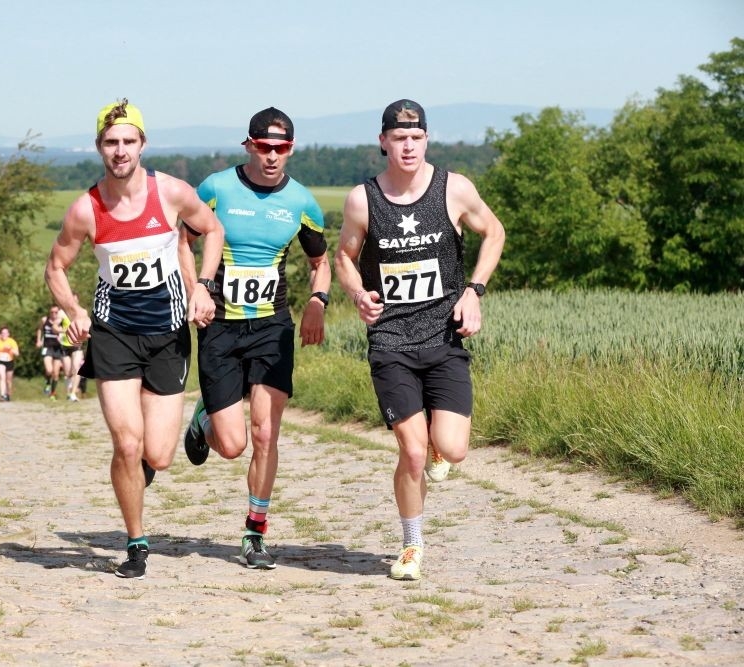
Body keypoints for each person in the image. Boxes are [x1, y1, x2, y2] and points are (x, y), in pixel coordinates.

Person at [44, 98, 224, 579]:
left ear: (142, 144)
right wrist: (75, 309)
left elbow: (212, 229)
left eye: (128, 141)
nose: (119, 150)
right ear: (99, 147)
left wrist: (202, 288)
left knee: (157, 456)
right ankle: (136, 542)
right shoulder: (86, 208)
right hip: (114, 333)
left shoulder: (170, 192)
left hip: (167, 334)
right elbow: (56, 267)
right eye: (110, 142)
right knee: (127, 443)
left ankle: (151, 463)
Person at [334, 99, 505, 581]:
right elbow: (344, 256)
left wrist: (474, 291)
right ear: (383, 141)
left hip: (444, 337)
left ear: (426, 139)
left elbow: (494, 232)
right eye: (398, 137)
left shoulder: (454, 189)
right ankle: (411, 545)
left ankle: (437, 448)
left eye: (416, 137)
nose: (408, 146)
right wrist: (356, 294)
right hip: (390, 341)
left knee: (452, 450)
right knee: (410, 451)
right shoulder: (362, 199)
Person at [182, 107, 332, 570]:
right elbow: (181, 242)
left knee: (266, 432)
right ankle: (203, 418)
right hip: (220, 326)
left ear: (290, 149)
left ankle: (255, 533)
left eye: (281, 148)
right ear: (248, 145)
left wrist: (318, 302)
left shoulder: (303, 202)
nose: (272, 156)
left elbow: (319, 262)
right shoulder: (215, 188)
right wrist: (196, 290)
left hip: (272, 327)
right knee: (233, 445)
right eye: (264, 147)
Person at [35, 305, 65, 399]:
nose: (53, 314)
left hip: (57, 348)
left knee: (56, 373)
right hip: (47, 347)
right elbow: (39, 329)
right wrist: (38, 340)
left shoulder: (62, 321)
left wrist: (62, 338)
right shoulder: (44, 320)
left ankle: (52, 393)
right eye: (52, 312)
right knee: (49, 370)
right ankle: (48, 382)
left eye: (56, 312)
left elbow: (67, 331)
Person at [0, 326, 20, 402]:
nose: (4, 334)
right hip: (0, 361)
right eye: (2, 333)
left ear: (8, 334)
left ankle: (8, 394)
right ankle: (3, 395)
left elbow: (17, 353)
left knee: (8, 380)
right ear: (0, 334)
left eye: (5, 333)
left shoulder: (12, 341)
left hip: (9, 361)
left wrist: (10, 349)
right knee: (2, 377)